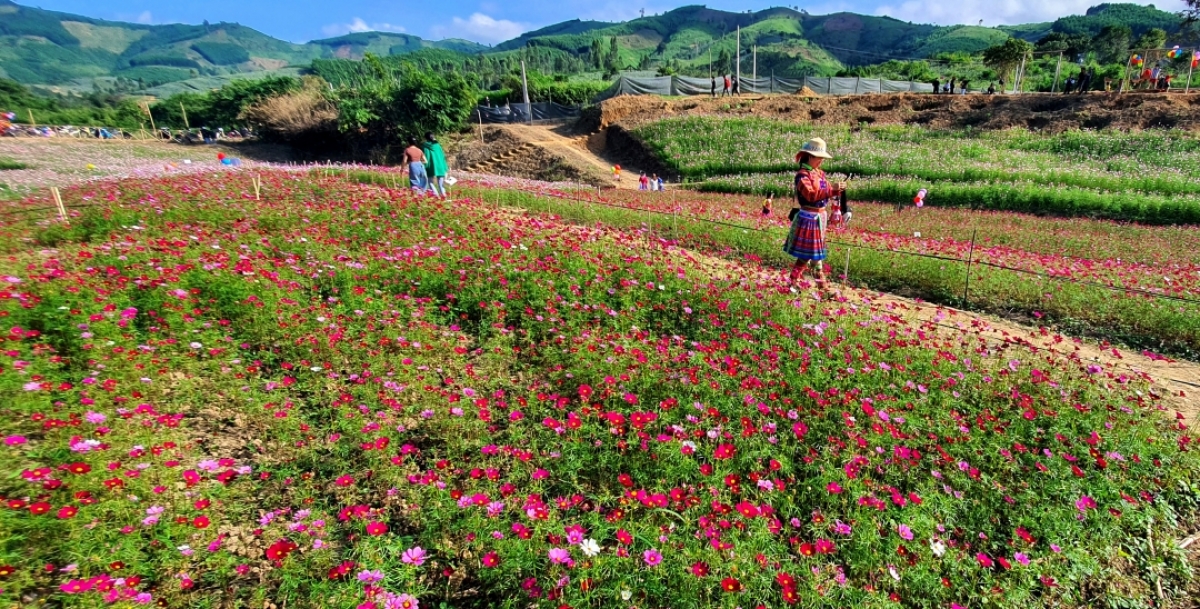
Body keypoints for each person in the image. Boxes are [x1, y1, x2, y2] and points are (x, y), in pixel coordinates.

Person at [783, 137, 844, 291]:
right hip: (809, 218)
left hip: (819, 218)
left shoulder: (819, 173)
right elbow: (811, 195)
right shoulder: (802, 176)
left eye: (823, 158)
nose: (821, 161)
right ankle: (812, 285)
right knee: (808, 254)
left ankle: (814, 286)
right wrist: (832, 190)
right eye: (819, 157)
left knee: (815, 255)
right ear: (809, 156)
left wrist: (837, 190)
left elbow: (827, 192)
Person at [422, 132, 449, 199]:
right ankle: (444, 196)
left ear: (426, 138)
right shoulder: (437, 145)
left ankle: (436, 195)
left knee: (430, 182)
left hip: (431, 166)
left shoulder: (425, 146)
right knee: (441, 183)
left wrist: (425, 166)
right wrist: (445, 167)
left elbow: (426, 157)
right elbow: (442, 156)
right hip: (440, 165)